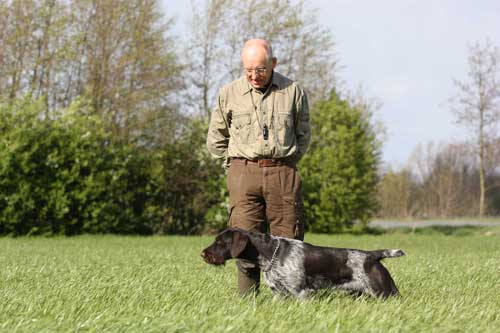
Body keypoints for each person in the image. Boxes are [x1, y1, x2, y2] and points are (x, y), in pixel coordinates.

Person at [206, 38, 311, 296]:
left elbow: (303, 134)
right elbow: (215, 139)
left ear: (273, 63)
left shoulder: (293, 91)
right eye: (248, 70)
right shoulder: (228, 93)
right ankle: (248, 306)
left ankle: (289, 307)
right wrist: (234, 167)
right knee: (243, 242)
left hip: (282, 172)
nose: (254, 76)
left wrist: (285, 165)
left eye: (260, 70)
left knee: (289, 243)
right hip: (243, 173)